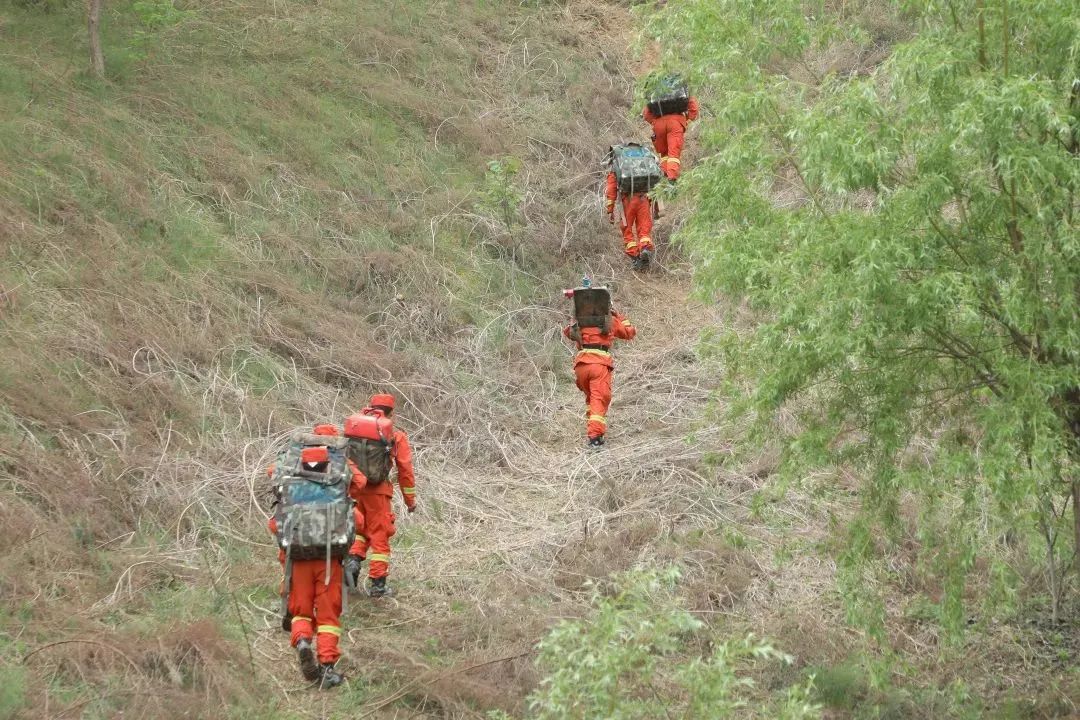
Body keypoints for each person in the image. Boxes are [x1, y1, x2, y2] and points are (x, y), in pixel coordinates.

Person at [268, 442, 367, 688]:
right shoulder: (335, 485)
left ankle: (302, 641)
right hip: (329, 562)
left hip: (298, 561)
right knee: (327, 617)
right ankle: (327, 668)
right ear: (326, 463)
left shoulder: (292, 485)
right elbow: (358, 521)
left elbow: (274, 526)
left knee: (300, 611)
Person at [347, 393, 416, 598]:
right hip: (378, 492)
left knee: (359, 529)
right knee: (380, 536)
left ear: (370, 406)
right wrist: (410, 500)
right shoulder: (396, 434)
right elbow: (405, 470)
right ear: (392, 412)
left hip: (353, 489)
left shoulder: (355, 427)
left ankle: (351, 566)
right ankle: (378, 586)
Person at [563, 309, 636, 447]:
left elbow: (567, 332)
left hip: (581, 366)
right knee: (599, 399)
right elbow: (630, 332)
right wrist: (619, 316)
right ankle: (595, 438)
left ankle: (594, 428)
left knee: (591, 399)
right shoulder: (609, 320)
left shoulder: (580, 322)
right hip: (598, 365)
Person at [605, 170, 654, 270]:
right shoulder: (643, 159)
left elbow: (611, 188)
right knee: (644, 227)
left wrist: (610, 209)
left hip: (628, 200)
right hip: (643, 198)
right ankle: (645, 247)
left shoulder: (618, 164)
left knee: (627, 229)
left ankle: (635, 257)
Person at [643, 95, 699, 181]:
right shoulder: (679, 86)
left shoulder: (655, 91)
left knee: (664, 154)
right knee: (673, 154)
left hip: (659, 124)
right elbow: (693, 107)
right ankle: (672, 180)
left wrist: (655, 122)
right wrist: (687, 119)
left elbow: (646, 114)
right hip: (675, 123)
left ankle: (664, 179)